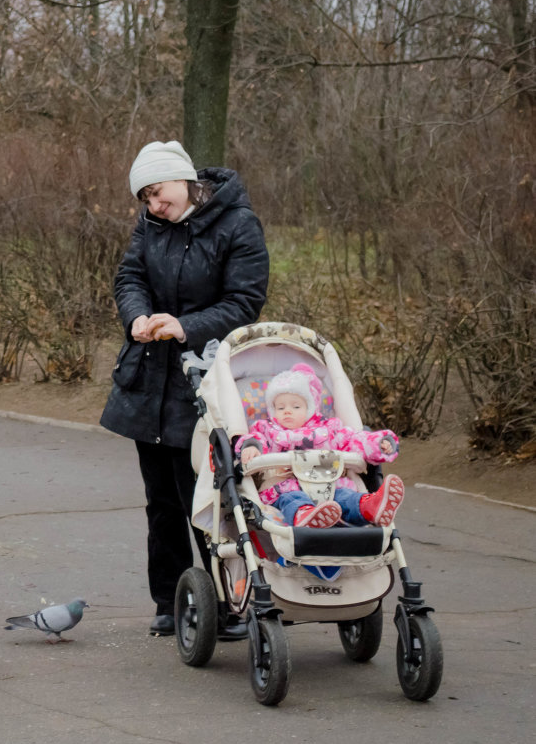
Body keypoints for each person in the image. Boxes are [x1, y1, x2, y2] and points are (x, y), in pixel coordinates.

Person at [100, 140, 269, 638]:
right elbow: (129, 276)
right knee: (162, 502)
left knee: (211, 502)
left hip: (207, 381)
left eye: (157, 193)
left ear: (183, 180)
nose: (153, 205)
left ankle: (227, 603)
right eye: (145, 198)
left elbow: (245, 302)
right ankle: (171, 602)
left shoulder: (237, 224)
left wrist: (185, 325)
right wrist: (137, 317)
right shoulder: (151, 226)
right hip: (149, 379)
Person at [235, 362, 404, 528]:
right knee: (291, 499)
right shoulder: (268, 429)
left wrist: (378, 444)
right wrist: (251, 447)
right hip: (286, 485)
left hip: (329, 485)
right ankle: (305, 515)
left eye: (296, 406)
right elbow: (256, 439)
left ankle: (370, 507)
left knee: (345, 496)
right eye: (280, 407)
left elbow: (353, 440)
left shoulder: (328, 429)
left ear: (309, 408)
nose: (287, 411)